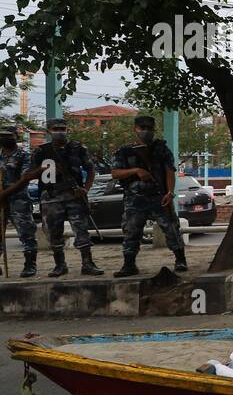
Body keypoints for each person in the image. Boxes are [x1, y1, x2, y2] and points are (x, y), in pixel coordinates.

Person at [13, 118, 102, 277]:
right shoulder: (41, 152)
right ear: (49, 131)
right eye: (55, 129)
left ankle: (87, 264)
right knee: (54, 234)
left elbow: (91, 169)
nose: (60, 132)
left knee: (81, 231)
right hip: (51, 197)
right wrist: (42, 169)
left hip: (74, 196)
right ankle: (60, 265)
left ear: (67, 130)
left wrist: (85, 189)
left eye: (62, 128)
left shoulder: (77, 148)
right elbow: (27, 175)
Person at [111, 114, 186, 277]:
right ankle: (129, 264)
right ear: (135, 129)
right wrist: (136, 171)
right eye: (142, 128)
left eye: (149, 129)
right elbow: (115, 173)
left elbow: (169, 171)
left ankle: (180, 260)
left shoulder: (161, 149)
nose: (146, 132)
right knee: (131, 232)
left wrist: (170, 192)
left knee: (171, 229)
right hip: (135, 199)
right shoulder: (124, 151)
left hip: (159, 197)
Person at [0, 123, 39, 277]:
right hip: (0, 201)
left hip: (19, 200)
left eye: (9, 136)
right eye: (2, 136)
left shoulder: (24, 156)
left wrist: (5, 193)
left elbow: (25, 179)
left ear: (16, 137)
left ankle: (30, 265)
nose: (5, 139)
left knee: (26, 233)